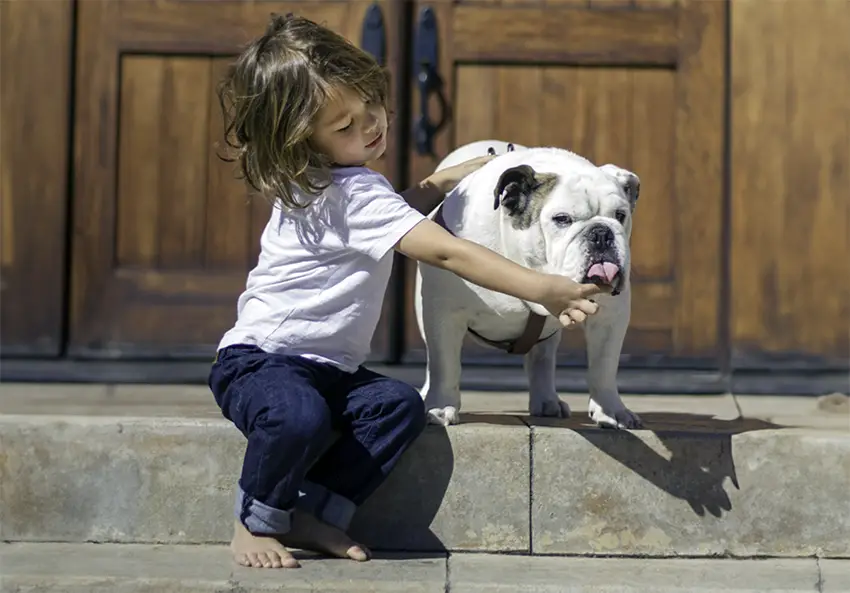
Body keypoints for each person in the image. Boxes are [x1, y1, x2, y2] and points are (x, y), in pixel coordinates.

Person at [209, 13, 609, 570]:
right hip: (262, 364)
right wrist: (545, 289)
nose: (368, 127)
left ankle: (311, 511)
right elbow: (446, 251)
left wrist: (441, 183)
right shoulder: (352, 194)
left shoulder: (328, 185)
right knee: (295, 416)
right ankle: (253, 519)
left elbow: (391, 211)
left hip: (328, 371)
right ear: (303, 143)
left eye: (369, 107)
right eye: (344, 127)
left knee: (397, 407)